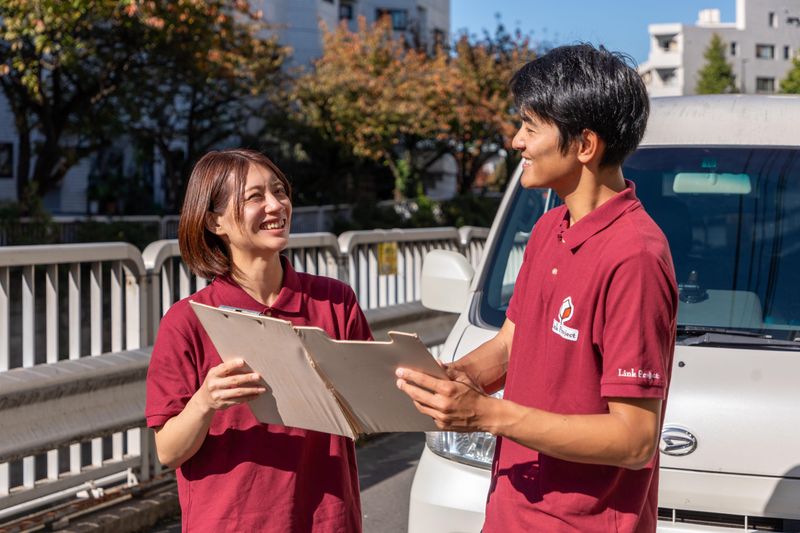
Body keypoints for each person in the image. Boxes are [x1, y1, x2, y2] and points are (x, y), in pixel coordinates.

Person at [396, 44, 678, 532]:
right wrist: (454, 376)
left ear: (585, 145)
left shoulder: (635, 255)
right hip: (512, 511)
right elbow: (512, 342)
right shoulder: (550, 228)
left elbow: (635, 440)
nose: (515, 142)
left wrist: (487, 414)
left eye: (530, 127)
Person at [145, 148, 371, 532]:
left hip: (328, 521)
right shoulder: (188, 321)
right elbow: (168, 452)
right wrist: (206, 401)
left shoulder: (336, 301)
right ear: (215, 221)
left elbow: (369, 410)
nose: (275, 205)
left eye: (279, 192)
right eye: (255, 197)